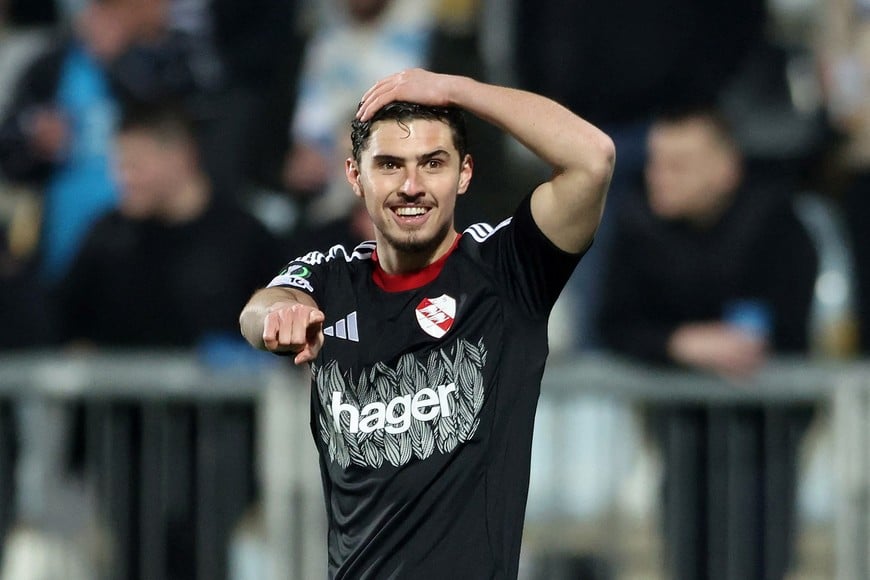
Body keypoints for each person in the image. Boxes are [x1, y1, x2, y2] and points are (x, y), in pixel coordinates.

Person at [240, 68, 614, 578]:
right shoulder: (331, 276)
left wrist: (455, 90)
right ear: (355, 176)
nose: (411, 186)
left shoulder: (507, 269)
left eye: (432, 163)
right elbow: (260, 307)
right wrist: (279, 316)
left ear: (464, 173)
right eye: (390, 165)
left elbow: (593, 158)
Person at [597, 107, 818, 579]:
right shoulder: (636, 222)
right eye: (655, 162)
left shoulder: (777, 223)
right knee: (690, 560)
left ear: (725, 170)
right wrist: (680, 343)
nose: (659, 176)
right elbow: (613, 324)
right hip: (682, 437)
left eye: (678, 164)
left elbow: (787, 331)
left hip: (766, 440)